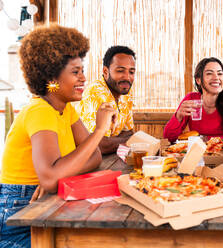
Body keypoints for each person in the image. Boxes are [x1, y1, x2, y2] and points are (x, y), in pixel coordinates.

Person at [0, 25, 117, 248]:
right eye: (75, 72)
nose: (83, 78)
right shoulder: (40, 110)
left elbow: (95, 157)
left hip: (47, 203)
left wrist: (59, 175)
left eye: (82, 70)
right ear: (51, 78)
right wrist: (99, 130)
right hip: (20, 211)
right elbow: (51, 178)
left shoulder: (66, 109)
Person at [164, 57, 223, 142]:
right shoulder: (191, 99)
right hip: (198, 155)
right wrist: (178, 116)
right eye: (209, 73)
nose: (216, 78)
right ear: (198, 80)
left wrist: (206, 139)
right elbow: (168, 138)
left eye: (220, 73)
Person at [77, 46, 136, 154]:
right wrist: (131, 141)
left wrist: (114, 141)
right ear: (105, 71)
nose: (127, 77)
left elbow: (128, 132)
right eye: (120, 71)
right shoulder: (94, 93)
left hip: (112, 157)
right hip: (86, 160)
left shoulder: (125, 92)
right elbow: (99, 145)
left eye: (131, 72)